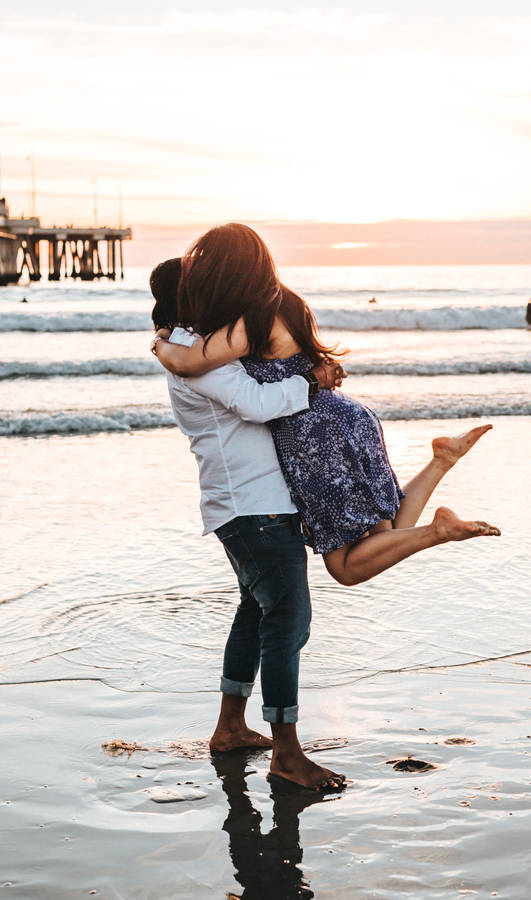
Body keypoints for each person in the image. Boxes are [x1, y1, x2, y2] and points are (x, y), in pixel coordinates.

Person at [153, 223, 500, 590]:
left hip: (314, 435)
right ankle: (441, 461)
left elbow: (188, 363)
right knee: (390, 530)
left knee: (346, 567)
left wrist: (160, 342)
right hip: (347, 417)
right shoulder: (288, 303)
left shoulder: (249, 320)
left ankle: (437, 531)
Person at [150, 258, 347, 792]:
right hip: (253, 505)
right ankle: (287, 753)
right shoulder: (200, 356)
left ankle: (231, 726)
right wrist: (311, 380)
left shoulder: (191, 348)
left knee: (254, 613)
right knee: (287, 621)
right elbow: (256, 404)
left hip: (242, 504)